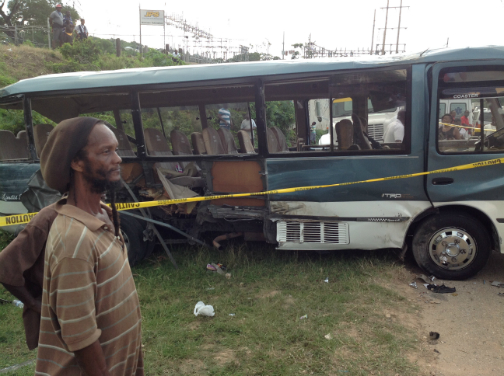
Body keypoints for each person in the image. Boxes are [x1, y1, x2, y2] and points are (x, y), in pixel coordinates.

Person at [36, 117, 144, 375]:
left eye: (116, 149)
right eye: (105, 152)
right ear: (76, 162)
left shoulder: (104, 215)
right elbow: (81, 338)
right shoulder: (73, 241)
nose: (117, 159)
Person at [0, 204, 59, 350]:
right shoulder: (49, 217)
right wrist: (33, 303)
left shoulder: (103, 214)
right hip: (57, 320)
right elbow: (5, 266)